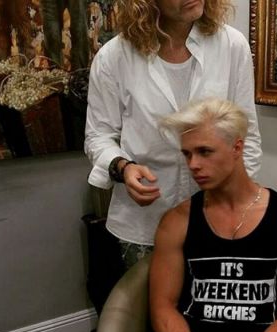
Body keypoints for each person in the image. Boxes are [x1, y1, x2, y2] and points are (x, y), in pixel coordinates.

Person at [112, 97, 277, 332]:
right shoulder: (176, 222)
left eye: (205, 152)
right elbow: (162, 305)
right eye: (187, 153)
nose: (193, 164)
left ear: (237, 148)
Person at [84, 0, 262, 268]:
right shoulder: (114, 57)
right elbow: (98, 136)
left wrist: (241, 206)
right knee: (150, 295)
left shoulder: (231, 46)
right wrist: (124, 168)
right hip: (146, 220)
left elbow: (246, 135)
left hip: (218, 215)